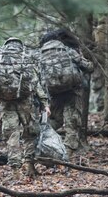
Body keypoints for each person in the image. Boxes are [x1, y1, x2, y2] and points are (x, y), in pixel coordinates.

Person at [0, 37, 51, 178]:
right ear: (20, 45)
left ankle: (15, 170)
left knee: (12, 135)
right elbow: (36, 83)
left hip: (5, 103)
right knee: (30, 134)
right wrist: (45, 104)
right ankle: (29, 165)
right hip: (27, 102)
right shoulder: (26, 57)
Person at [38, 29, 93, 158]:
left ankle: (42, 144)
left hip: (53, 92)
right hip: (73, 91)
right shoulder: (68, 51)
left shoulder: (40, 54)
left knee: (54, 120)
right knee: (72, 123)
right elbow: (89, 67)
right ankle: (67, 154)